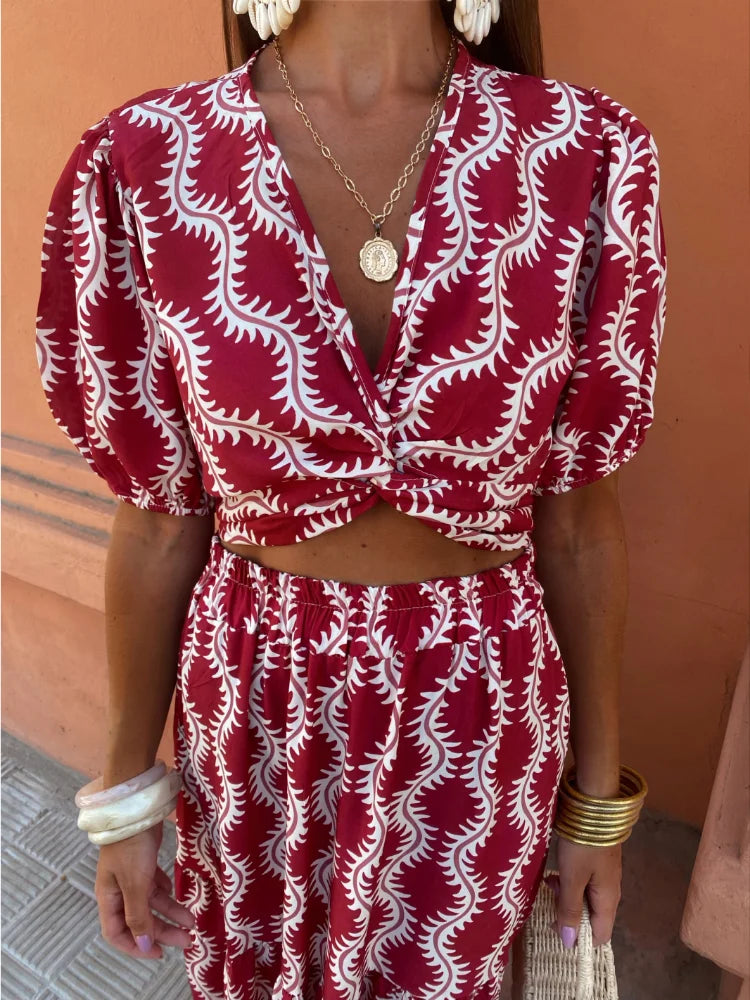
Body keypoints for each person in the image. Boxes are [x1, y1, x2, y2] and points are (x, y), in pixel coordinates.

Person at [35, 0, 667, 997]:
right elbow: (159, 521)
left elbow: (581, 526)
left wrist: (596, 809)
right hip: (257, 713)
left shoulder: (585, 155)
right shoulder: (148, 162)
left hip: (477, 715)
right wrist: (125, 799)